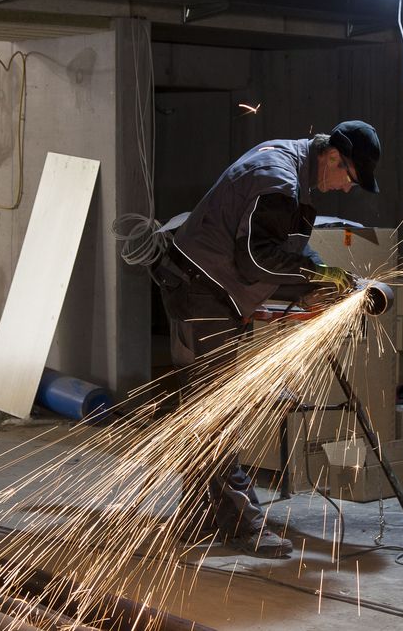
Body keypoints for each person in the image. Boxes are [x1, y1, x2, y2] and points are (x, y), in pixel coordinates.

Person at [150, 120, 381, 557]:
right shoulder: (278, 179)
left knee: (206, 407)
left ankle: (197, 515)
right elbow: (259, 261)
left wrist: (321, 272)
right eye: (350, 178)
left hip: (209, 287)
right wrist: (316, 276)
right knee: (217, 412)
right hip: (200, 289)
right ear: (333, 157)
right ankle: (245, 524)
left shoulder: (296, 171)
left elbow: (285, 246)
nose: (348, 189)